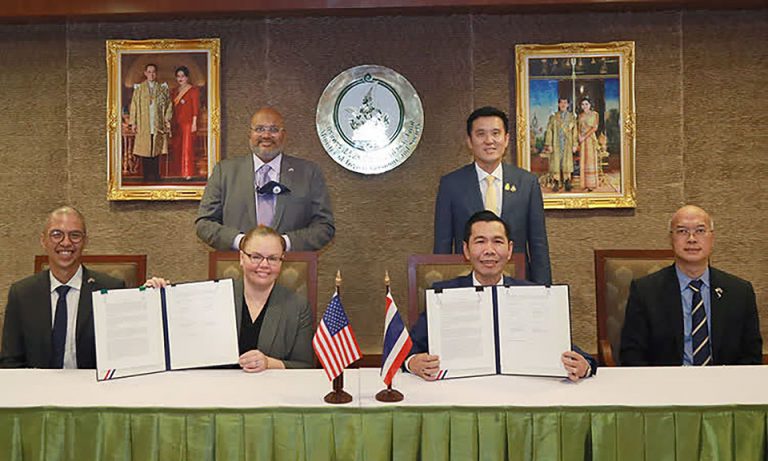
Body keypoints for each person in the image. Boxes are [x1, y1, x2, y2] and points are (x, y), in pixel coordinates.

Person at [411, 210, 596, 382]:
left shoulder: (534, 296)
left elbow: (571, 351)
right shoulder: (443, 296)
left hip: (520, 390)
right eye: (480, 241)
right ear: (466, 250)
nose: (489, 250)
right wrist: (412, 363)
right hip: (461, 388)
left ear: (509, 249)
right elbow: (409, 349)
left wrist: (585, 366)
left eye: (497, 242)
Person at [146, 225, 314, 371]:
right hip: (216, 389)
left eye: (273, 258)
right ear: (241, 258)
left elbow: (305, 366)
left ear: (281, 261)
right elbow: (178, 343)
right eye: (256, 257)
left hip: (270, 392)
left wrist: (269, 363)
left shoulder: (298, 306)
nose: (264, 265)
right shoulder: (213, 296)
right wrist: (156, 298)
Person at [619, 205, 762, 366]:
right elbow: (632, 355)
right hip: (666, 380)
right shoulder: (645, 291)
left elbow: (752, 355)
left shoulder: (740, 292)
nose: (692, 239)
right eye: (682, 231)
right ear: (671, 239)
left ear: (712, 238)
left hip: (724, 380)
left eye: (700, 231)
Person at [433, 106, 552, 285]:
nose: (489, 141)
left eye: (496, 133)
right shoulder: (451, 184)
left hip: (518, 284)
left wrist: (544, 290)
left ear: (506, 139)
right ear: (469, 141)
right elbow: (442, 245)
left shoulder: (527, 183)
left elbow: (538, 244)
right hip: (467, 285)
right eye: (481, 134)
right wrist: (444, 292)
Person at [0, 207, 125, 368]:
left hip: (91, 383)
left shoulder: (110, 290)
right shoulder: (22, 294)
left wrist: (152, 297)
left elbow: (124, 354)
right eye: (56, 234)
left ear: (85, 241)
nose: (66, 243)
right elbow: (11, 361)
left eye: (75, 235)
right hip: (37, 383)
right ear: (43, 241)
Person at [196, 107, 335, 252]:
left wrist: (284, 243)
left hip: (292, 263)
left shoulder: (309, 173)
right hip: (238, 263)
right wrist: (242, 242)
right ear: (250, 134)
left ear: (284, 135)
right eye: (259, 129)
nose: (266, 135)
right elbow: (204, 224)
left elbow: (324, 226)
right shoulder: (224, 172)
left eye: (274, 130)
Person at [128, 63, 172, 182]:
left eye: (153, 72)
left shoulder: (162, 88)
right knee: (145, 149)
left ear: (156, 74)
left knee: (156, 148)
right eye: (149, 72)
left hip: (157, 122)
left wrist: (167, 119)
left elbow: (169, 105)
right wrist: (133, 122)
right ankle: (146, 175)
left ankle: (156, 174)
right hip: (144, 122)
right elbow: (134, 106)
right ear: (145, 73)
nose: (151, 74)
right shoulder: (139, 89)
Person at [170, 65, 200, 180]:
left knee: (187, 148)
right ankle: (178, 172)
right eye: (178, 76)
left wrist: (194, 123)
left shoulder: (193, 90)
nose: (180, 78)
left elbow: (195, 108)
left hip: (188, 123)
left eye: (182, 76)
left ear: (187, 77)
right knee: (177, 148)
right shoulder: (175, 91)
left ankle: (187, 172)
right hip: (176, 123)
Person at [543, 97, 577, 192]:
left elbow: (575, 132)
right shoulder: (553, 117)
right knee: (556, 163)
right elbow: (549, 131)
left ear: (568, 105)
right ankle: (556, 182)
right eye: (561, 103)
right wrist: (549, 144)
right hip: (556, 143)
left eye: (565, 103)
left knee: (567, 163)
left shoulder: (572, 118)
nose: (563, 105)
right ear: (558, 104)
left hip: (567, 143)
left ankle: (567, 181)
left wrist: (575, 144)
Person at [576, 97, 599, 192]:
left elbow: (594, 128)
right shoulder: (580, 116)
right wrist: (579, 136)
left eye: (586, 104)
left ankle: (591, 184)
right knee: (583, 160)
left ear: (590, 105)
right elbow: (577, 128)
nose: (584, 106)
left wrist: (584, 137)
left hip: (590, 139)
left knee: (590, 160)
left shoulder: (595, 114)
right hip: (582, 141)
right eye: (583, 104)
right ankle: (584, 184)